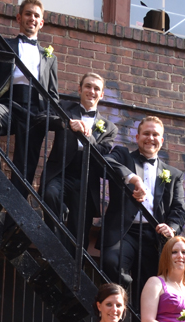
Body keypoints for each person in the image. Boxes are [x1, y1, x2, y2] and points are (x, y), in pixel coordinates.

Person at [0, 0, 59, 195]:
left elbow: (53, 93)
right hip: (8, 103)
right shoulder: (5, 44)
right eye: (28, 14)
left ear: (42, 22)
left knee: (25, 169)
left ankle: (13, 220)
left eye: (36, 16)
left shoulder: (50, 57)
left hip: (35, 111)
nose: (32, 18)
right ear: (19, 18)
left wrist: (48, 116)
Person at [102, 116, 185, 301]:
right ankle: (119, 308)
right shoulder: (123, 155)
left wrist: (171, 227)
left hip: (153, 238)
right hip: (125, 231)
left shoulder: (173, 174)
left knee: (148, 291)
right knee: (113, 264)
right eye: (146, 133)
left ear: (161, 140)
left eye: (155, 134)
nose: (150, 138)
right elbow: (105, 161)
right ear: (137, 136)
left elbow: (179, 209)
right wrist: (133, 178)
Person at [43, 73, 117, 248]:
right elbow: (42, 118)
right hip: (61, 171)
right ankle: (55, 246)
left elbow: (102, 154)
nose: (92, 91)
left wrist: (87, 137)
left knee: (79, 230)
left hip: (86, 179)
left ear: (102, 94)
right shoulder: (65, 108)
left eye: (96, 88)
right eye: (88, 86)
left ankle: (73, 266)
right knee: (50, 194)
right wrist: (66, 124)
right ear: (80, 89)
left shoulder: (109, 128)